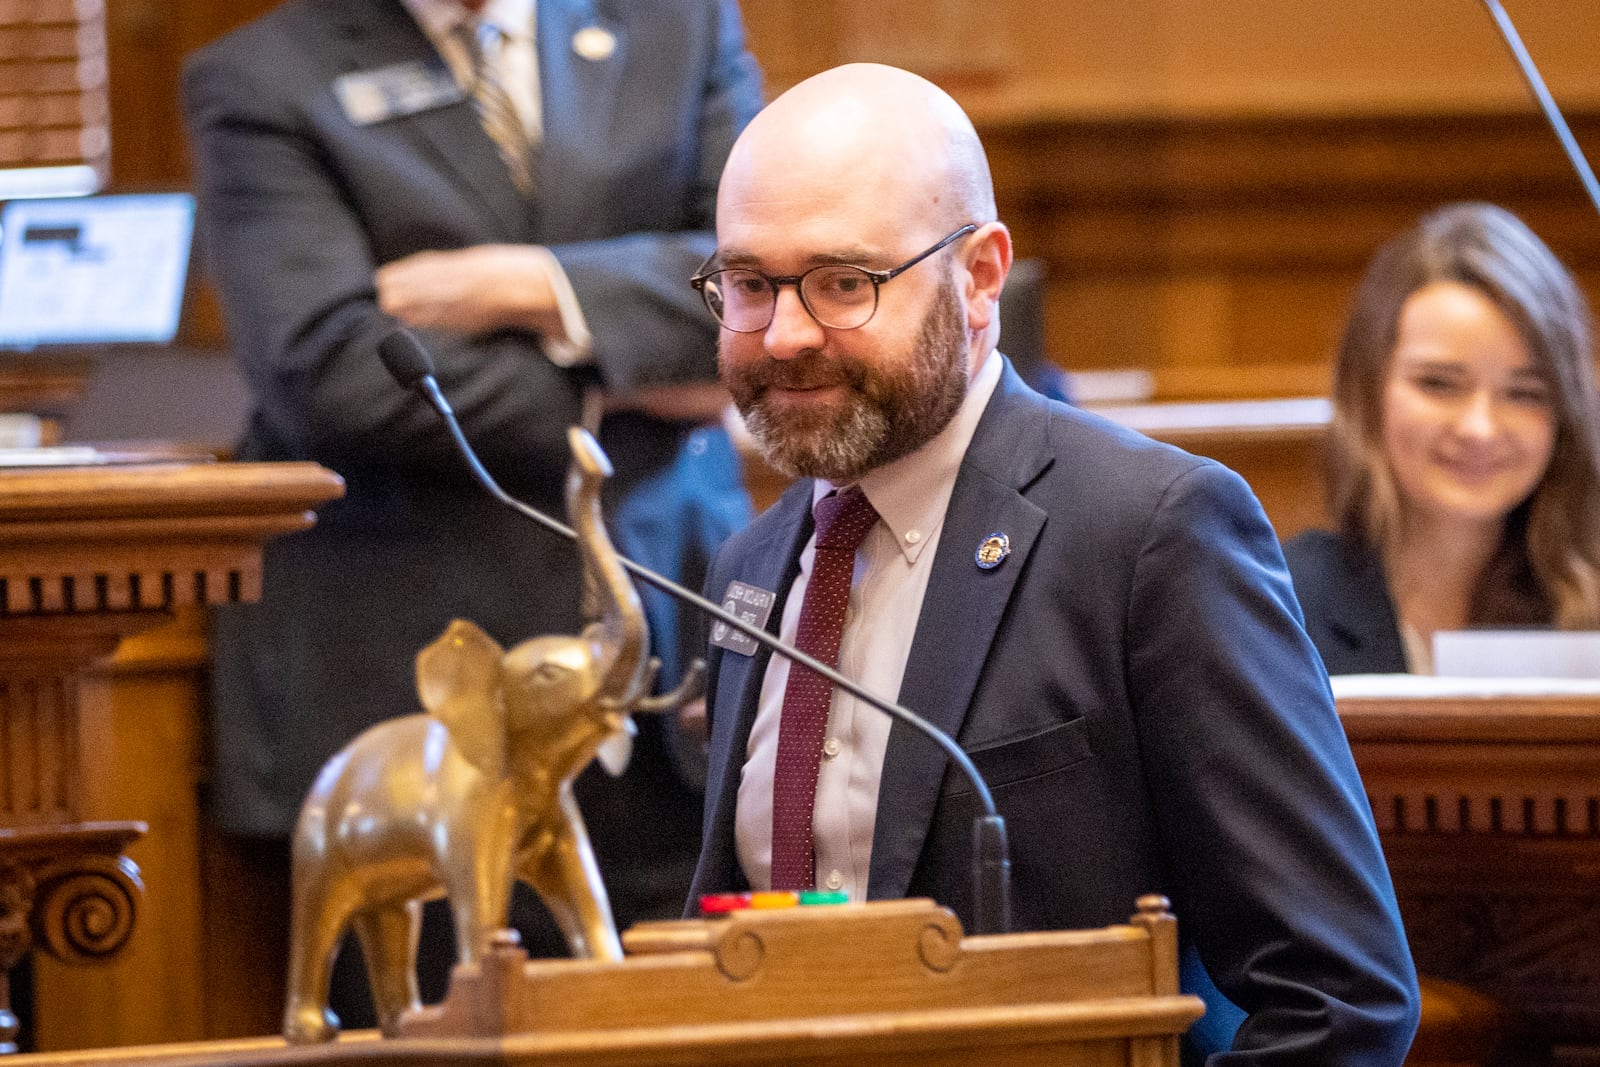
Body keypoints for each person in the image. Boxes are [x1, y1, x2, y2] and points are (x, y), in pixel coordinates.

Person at [684, 62, 1420, 1064]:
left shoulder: (1149, 532)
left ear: (981, 274)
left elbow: (1339, 997)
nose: (787, 333)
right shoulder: (752, 562)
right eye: (749, 283)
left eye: (843, 283)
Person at [181, 0, 762, 1018]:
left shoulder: (680, 26)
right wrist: (620, 378)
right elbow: (332, 370)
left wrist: (529, 286)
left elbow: (755, 289)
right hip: (410, 718)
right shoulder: (261, 77)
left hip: (669, 683)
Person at [1284, 203, 1600, 675]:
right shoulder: (1284, 602)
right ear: (1367, 388)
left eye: (1525, 393)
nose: (1480, 428)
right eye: (1439, 384)